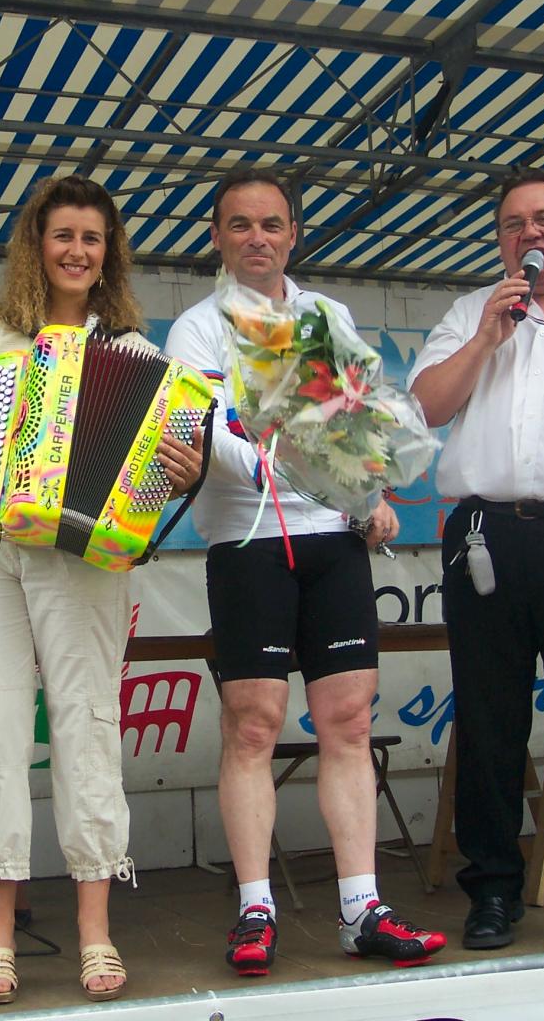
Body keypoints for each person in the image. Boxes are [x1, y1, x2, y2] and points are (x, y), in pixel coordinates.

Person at [0, 175, 202, 1004]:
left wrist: (177, 470)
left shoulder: (138, 355)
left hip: (80, 558)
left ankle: (94, 932)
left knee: (87, 723)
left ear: (109, 253)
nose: (78, 251)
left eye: (93, 238)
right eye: (64, 236)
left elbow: (153, 485)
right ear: (36, 245)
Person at [165, 167, 446, 976]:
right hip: (248, 539)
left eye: (273, 224)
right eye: (240, 224)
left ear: (294, 233)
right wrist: (279, 462)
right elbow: (207, 424)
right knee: (253, 724)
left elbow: (350, 419)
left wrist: (369, 491)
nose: (258, 238)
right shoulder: (197, 327)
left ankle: (363, 907)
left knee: (348, 722)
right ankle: (256, 908)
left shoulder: (328, 314)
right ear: (216, 235)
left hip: (335, 541)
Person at [408, 168, 544, 950]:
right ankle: (494, 887)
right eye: (514, 224)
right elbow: (426, 405)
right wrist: (485, 339)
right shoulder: (472, 311)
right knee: (490, 718)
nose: (530, 234)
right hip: (486, 540)